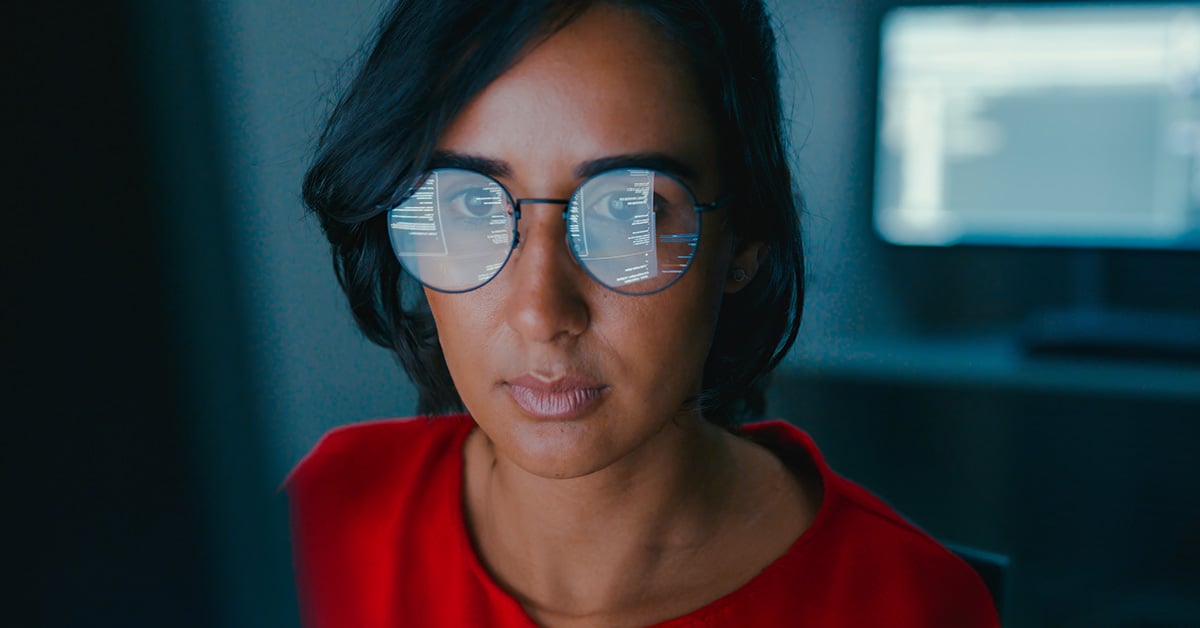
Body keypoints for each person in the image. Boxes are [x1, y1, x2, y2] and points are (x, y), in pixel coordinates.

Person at [287, 1, 1001, 626]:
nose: (541, 313)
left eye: (629, 213)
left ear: (745, 238)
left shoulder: (907, 607)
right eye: (465, 205)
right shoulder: (321, 519)